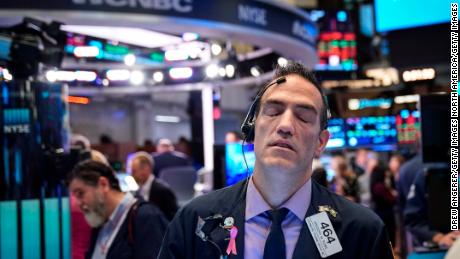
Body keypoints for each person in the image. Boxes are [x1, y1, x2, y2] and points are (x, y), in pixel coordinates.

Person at [158, 62, 394, 259]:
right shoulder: (195, 221)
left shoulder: (362, 232)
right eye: (273, 112)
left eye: (303, 117)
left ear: (321, 142)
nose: (285, 126)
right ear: (252, 129)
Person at [68, 160, 168, 259]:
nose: (78, 203)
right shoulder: (100, 221)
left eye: (80, 194)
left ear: (103, 184)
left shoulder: (146, 217)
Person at [130, 151, 179, 221]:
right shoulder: (138, 190)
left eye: (134, 171)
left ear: (146, 169)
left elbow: (172, 219)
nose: (132, 175)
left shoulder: (163, 191)